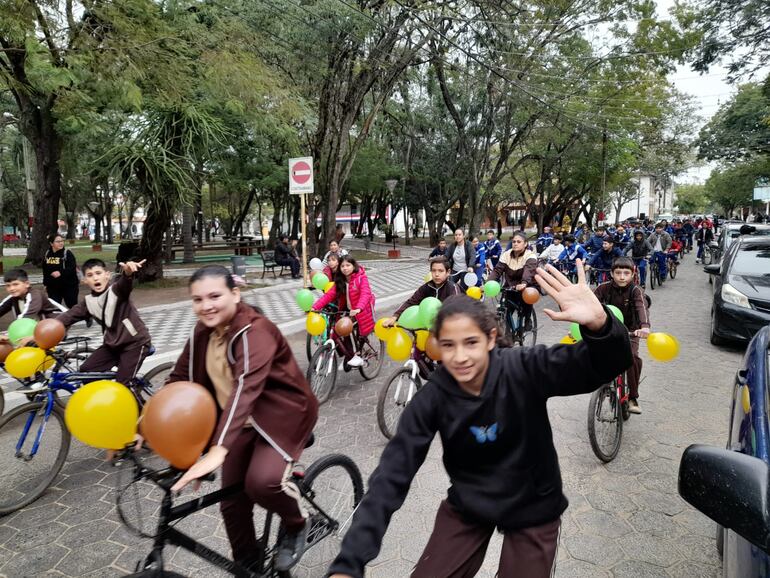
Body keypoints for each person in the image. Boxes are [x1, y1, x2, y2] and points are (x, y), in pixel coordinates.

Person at [327, 269, 633, 578]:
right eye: (449, 345)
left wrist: (601, 325)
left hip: (534, 505)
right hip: (470, 504)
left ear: (489, 339)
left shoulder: (523, 368)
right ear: (437, 346)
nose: (460, 357)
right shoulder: (432, 398)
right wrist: (348, 564)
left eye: (470, 342)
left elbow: (605, 364)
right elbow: (390, 479)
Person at [166, 265, 319, 572]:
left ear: (234, 294)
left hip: (281, 417)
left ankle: (298, 522)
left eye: (214, 296)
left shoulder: (254, 330)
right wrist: (144, 426)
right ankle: (249, 566)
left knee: (261, 483)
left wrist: (218, 449)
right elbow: (179, 379)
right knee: (232, 503)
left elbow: (245, 387)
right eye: (197, 299)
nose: (205, 305)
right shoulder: (202, 331)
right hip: (237, 423)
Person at [55, 259, 152, 386]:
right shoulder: (88, 302)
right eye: (90, 275)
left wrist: (128, 273)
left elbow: (125, 284)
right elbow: (68, 316)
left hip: (134, 344)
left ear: (107, 275)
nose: (95, 278)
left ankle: (139, 405)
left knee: (123, 386)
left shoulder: (116, 290)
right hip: (112, 346)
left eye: (98, 273)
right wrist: (38, 334)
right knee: (86, 372)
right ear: (84, 280)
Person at [593, 257, 650, 414]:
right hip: (608, 329)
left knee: (631, 357)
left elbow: (641, 307)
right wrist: (578, 325)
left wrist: (644, 326)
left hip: (630, 330)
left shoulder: (636, 290)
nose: (622, 277)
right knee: (595, 352)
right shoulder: (603, 288)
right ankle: (602, 382)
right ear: (612, 273)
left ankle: (632, 397)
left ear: (632, 274)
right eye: (618, 273)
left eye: (626, 273)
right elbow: (589, 306)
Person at [311, 255, 375, 367]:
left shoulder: (361, 278)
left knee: (350, 329)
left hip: (362, 310)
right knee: (337, 330)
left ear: (353, 266)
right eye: (342, 266)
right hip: (348, 310)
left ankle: (357, 355)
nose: (345, 268)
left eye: (348, 265)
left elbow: (365, 294)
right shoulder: (340, 280)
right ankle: (349, 355)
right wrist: (315, 307)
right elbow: (329, 295)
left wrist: (359, 308)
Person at [383, 257, 460, 327]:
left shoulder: (452, 288)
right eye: (433, 271)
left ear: (448, 272)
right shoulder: (426, 287)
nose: (436, 274)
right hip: (427, 326)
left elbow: (456, 310)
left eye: (440, 271)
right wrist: (395, 316)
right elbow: (411, 302)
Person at [488, 231, 538, 330]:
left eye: (518, 242)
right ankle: (508, 334)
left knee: (526, 298)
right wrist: (489, 282)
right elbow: (497, 270)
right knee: (507, 308)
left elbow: (528, 271)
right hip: (510, 284)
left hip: (526, 284)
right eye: (514, 241)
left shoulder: (530, 256)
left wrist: (524, 283)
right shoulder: (506, 255)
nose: (515, 243)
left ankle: (527, 319)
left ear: (525, 244)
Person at [0, 269, 67, 326]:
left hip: (60, 321)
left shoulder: (35, 295)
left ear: (27, 284)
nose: (11, 288)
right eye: (8, 286)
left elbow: (28, 315)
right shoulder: (13, 297)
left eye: (15, 284)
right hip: (41, 326)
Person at [42, 233, 80, 308]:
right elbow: (45, 270)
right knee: (55, 307)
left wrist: (60, 272)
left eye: (62, 241)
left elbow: (72, 268)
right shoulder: (47, 254)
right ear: (51, 243)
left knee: (72, 307)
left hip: (69, 286)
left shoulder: (67, 253)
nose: (61, 243)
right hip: (53, 287)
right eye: (58, 241)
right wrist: (46, 284)